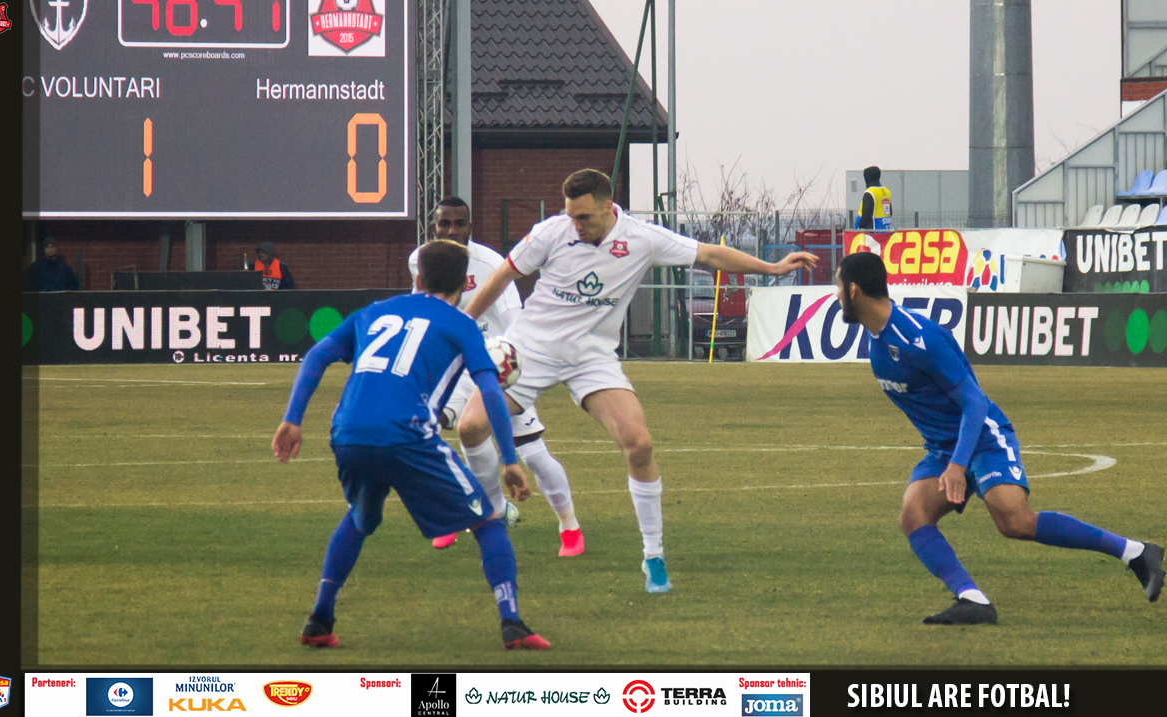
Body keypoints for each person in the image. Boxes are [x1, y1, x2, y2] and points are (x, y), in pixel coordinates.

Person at [457, 168, 819, 593]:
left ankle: (653, 558)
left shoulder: (642, 238)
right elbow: (501, 277)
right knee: (470, 426)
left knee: (639, 443)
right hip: (529, 351)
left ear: (609, 209)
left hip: (592, 358)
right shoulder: (551, 233)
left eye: (585, 217)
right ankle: (494, 512)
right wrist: (461, 323)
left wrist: (771, 268)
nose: (576, 224)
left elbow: (711, 256)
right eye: (571, 215)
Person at [835, 251, 1164, 624]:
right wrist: (949, 456)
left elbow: (974, 401)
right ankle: (972, 600)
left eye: (837, 286)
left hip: (982, 435)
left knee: (1015, 522)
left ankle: (1136, 553)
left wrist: (960, 464)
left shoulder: (919, 337)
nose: (836, 295)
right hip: (945, 447)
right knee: (914, 513)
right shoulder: (876, 342)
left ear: (854, 289)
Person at [271, 239, 550, 650]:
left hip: (348, 432)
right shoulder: (461, 325)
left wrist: (292, 419)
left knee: (361, 517)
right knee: (488, 519)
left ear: (417, 276)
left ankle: (319, 620)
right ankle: (512, 624)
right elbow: (489, 390)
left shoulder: (374, 312)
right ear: (464, 283)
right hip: (406, 434)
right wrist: (509, 459)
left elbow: (316, 354)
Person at [407, 197, 584, 556]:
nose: (451, 231)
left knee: (532, 453)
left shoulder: (488, 263)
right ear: (433, 226)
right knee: (424, 431)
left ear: (471, 227)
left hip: (496, 364)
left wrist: (514, 362)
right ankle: (477, 512)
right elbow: (423, 308)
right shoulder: (420, 259)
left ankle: (569, 526)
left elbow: (516, 320)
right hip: (454, 367)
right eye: (444, 224)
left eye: (460, 224)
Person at [855, 166, 893, 231]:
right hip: (885, 231)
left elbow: (866, 216)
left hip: (872, 233)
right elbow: (890, 212)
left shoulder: (870, 192)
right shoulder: (887, 191)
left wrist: (859, 225)